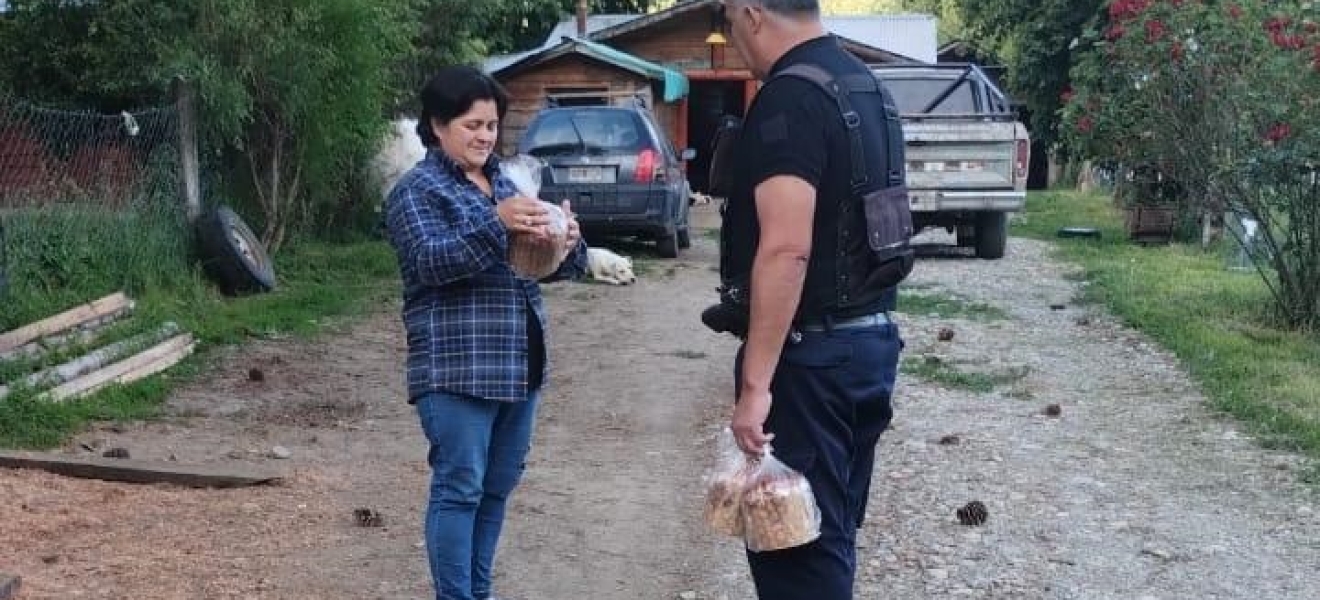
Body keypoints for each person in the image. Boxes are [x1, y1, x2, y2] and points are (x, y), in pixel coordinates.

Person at [713, 1, 906, 598]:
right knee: (828, 535)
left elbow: (786, 249)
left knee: (795, 551)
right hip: (869, 344)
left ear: (750, 13)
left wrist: (756, 384)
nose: (732, 36)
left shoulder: (790, 98)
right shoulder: (865, 85)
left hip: (812, 361)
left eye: (727, 16)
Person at [383, 65, 587, 600]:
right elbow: (430, 262)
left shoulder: (509, 181)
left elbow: (537, 267)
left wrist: (566, 243)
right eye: (472, 125)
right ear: (438, 124)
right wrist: (496, 223)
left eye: (492, 125)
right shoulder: (415, 192)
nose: (484, 136)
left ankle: (478, 591)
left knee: (496, 490)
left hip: (521, 363)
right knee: (460, 489)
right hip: (457, 368)